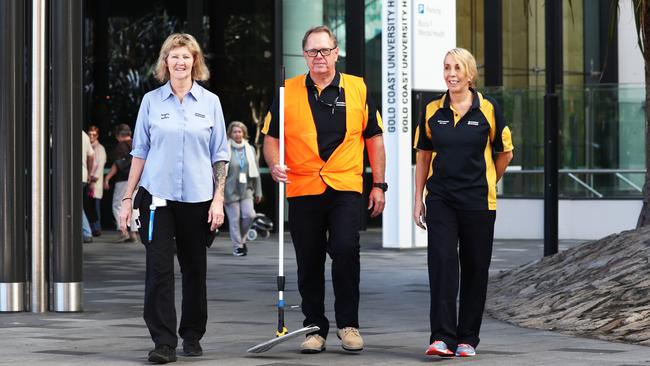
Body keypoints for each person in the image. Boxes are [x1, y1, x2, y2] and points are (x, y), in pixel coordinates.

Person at [262, 25, 386, 354]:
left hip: (345, 185)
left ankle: (349, 325)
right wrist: (275, 163)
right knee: (309, 260)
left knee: (346, 250)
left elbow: (374, 137)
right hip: (303, 187)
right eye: (313, 51)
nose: (319, 57)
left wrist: (379, 184)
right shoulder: (287, 91)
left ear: (336, 52)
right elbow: (271, 138)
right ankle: (314, 328)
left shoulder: (357, 89)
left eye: (325, 50)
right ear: (304, 55)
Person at [118, 33, 229, 364]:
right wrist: (127, 198)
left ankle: (192, 334)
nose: (180, 62)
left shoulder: (211, 103)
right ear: (164, 62)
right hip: (156, 199)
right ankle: (163, 341)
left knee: (195, 270)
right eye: (173, 56)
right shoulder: (151, 101)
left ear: (196, 61)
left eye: (186, 56)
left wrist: (218, 198)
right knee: (159, 270)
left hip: (198, 199)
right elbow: (140, 151)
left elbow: (219, 154)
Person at [413, 48, 514, 358]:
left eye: (457, 68)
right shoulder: (431, 110)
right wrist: (418, 199)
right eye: (446, 67)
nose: (451, 73)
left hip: (478, 202)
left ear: (470, 74)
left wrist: (487, 182)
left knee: (475, 268)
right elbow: (423, 155)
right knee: (442, 263)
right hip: (441, 198)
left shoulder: (489, 110)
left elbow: (505, 153)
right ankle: (442, 337)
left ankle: (467, 338)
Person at [224, 121, 262, 257]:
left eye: (240, 131)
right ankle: (238, 247)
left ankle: (241, 239)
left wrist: (258, 191)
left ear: (244, 133)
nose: (237, 134)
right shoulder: (225, 149)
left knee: (249, 215)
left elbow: (256, 171)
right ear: (230, 134)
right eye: (234, 131)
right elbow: (220, 172)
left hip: (247, 189)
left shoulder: (250, 149)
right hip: (229, 190)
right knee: (234, 219)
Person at [104, 124, 138, 243]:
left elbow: (117, 164)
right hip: (136, 179)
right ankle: (133, 233)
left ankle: (123, 231)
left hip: (123, 180)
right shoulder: (137, 143)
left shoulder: (121, 146)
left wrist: (107, 178)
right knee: (133, 205)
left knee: (118, 204)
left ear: (118, 135)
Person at [87, 125, 107, 236]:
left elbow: (100, 165)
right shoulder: (88, 146)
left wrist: (93, 178)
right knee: (90, 205)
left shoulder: (100, 148)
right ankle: (92, 227)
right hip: (89, 180)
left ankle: (96, 227)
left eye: (93, 134)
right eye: (89, 134)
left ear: (97, 135)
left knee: (95, 206)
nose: (91, 136)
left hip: (95, 182)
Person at [82, 131, 95, 243]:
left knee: (75, 206)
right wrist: (89, 173)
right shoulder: (84, 136)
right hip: (82, 175)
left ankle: (86, 232)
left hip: (69, 176)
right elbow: (91, 156)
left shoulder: (63, 131)